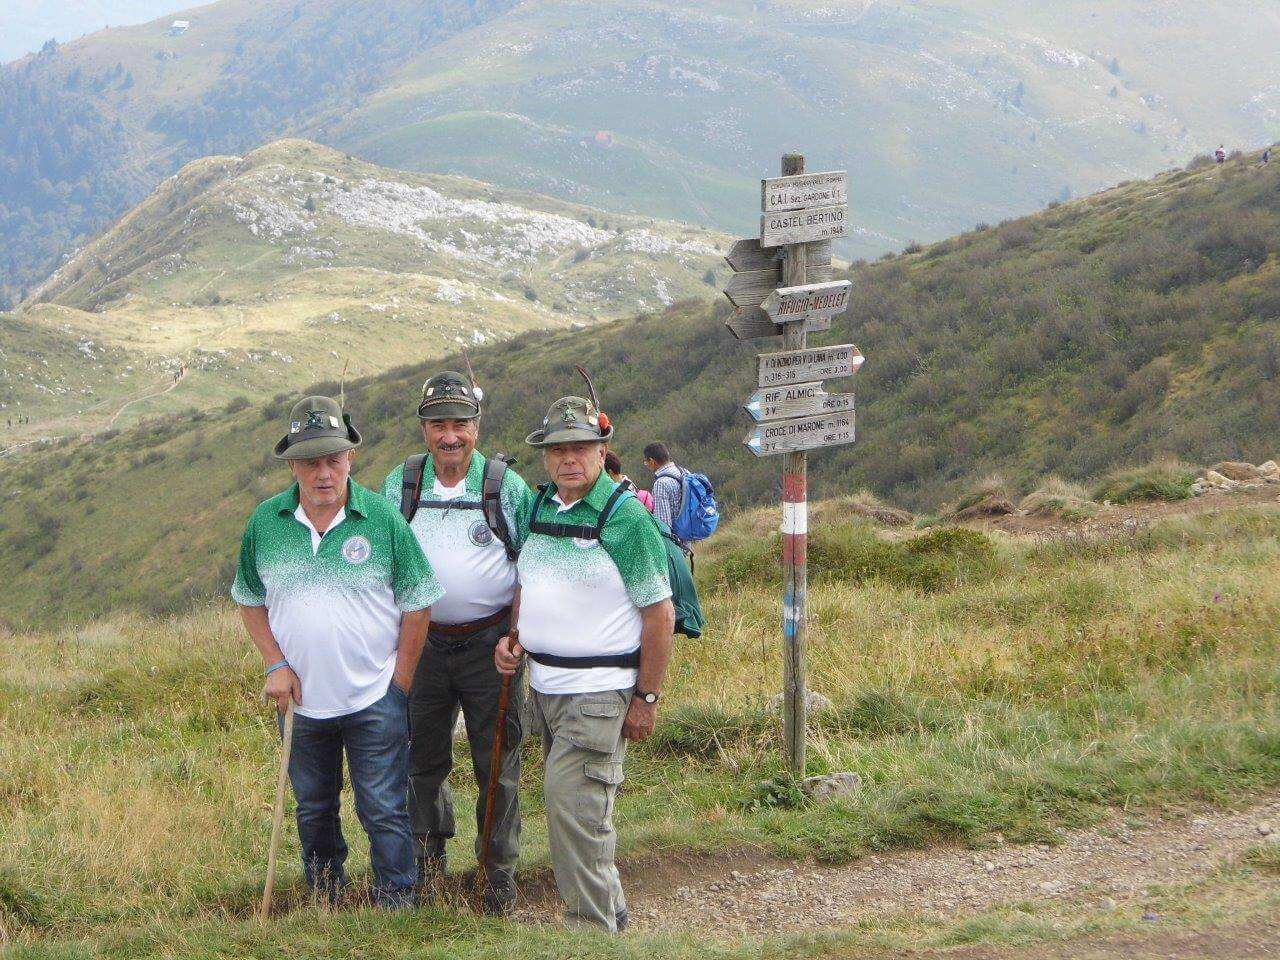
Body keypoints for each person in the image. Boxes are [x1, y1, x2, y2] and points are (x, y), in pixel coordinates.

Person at [232, 395, 443, 908]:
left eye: (332, 459)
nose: (323, 473)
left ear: (351, 457)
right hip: (302, 702)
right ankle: (326, 899)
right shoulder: (266, 523)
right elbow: (249, 598)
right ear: (293, 465)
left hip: (374, 696)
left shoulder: (382, 520)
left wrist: (400, 683)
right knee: (314, 808)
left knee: (384, 808)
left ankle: (397, 901)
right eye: (310, 462)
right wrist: (275, 664)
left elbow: (419, 603)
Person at [495, 395, 674, 932]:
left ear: (602, 450)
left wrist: (646, 698)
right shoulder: (542, 507)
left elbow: (659, 614)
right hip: (545, 687)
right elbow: (531, 583)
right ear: (545, 457)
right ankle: (611, 917)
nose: (568, 459)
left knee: (572, 807)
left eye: (580, 447)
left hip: (599, 691)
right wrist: (515, 639)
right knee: (582, 812)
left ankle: (590, 933)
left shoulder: (625, 517)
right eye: (557, 450)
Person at [381, 372, 533, 914]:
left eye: (460, 424)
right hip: (421, 645)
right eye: (439, 425)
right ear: (423, 429)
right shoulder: (402, 484)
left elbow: (531, 567)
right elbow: (384, 564)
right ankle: (427, 865)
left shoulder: (504, 486)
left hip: (492, 647)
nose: (450, 437)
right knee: (420, 759)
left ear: (477, 426)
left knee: (497, 763)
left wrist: (516, 638)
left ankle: (497, 875)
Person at [643, 442, 687, 548]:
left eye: (646, 461)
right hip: (687, 535)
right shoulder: (683, 472)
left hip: (675, 545)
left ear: (652, 461)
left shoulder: (661, 483)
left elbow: (663, 523)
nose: (646, 465)